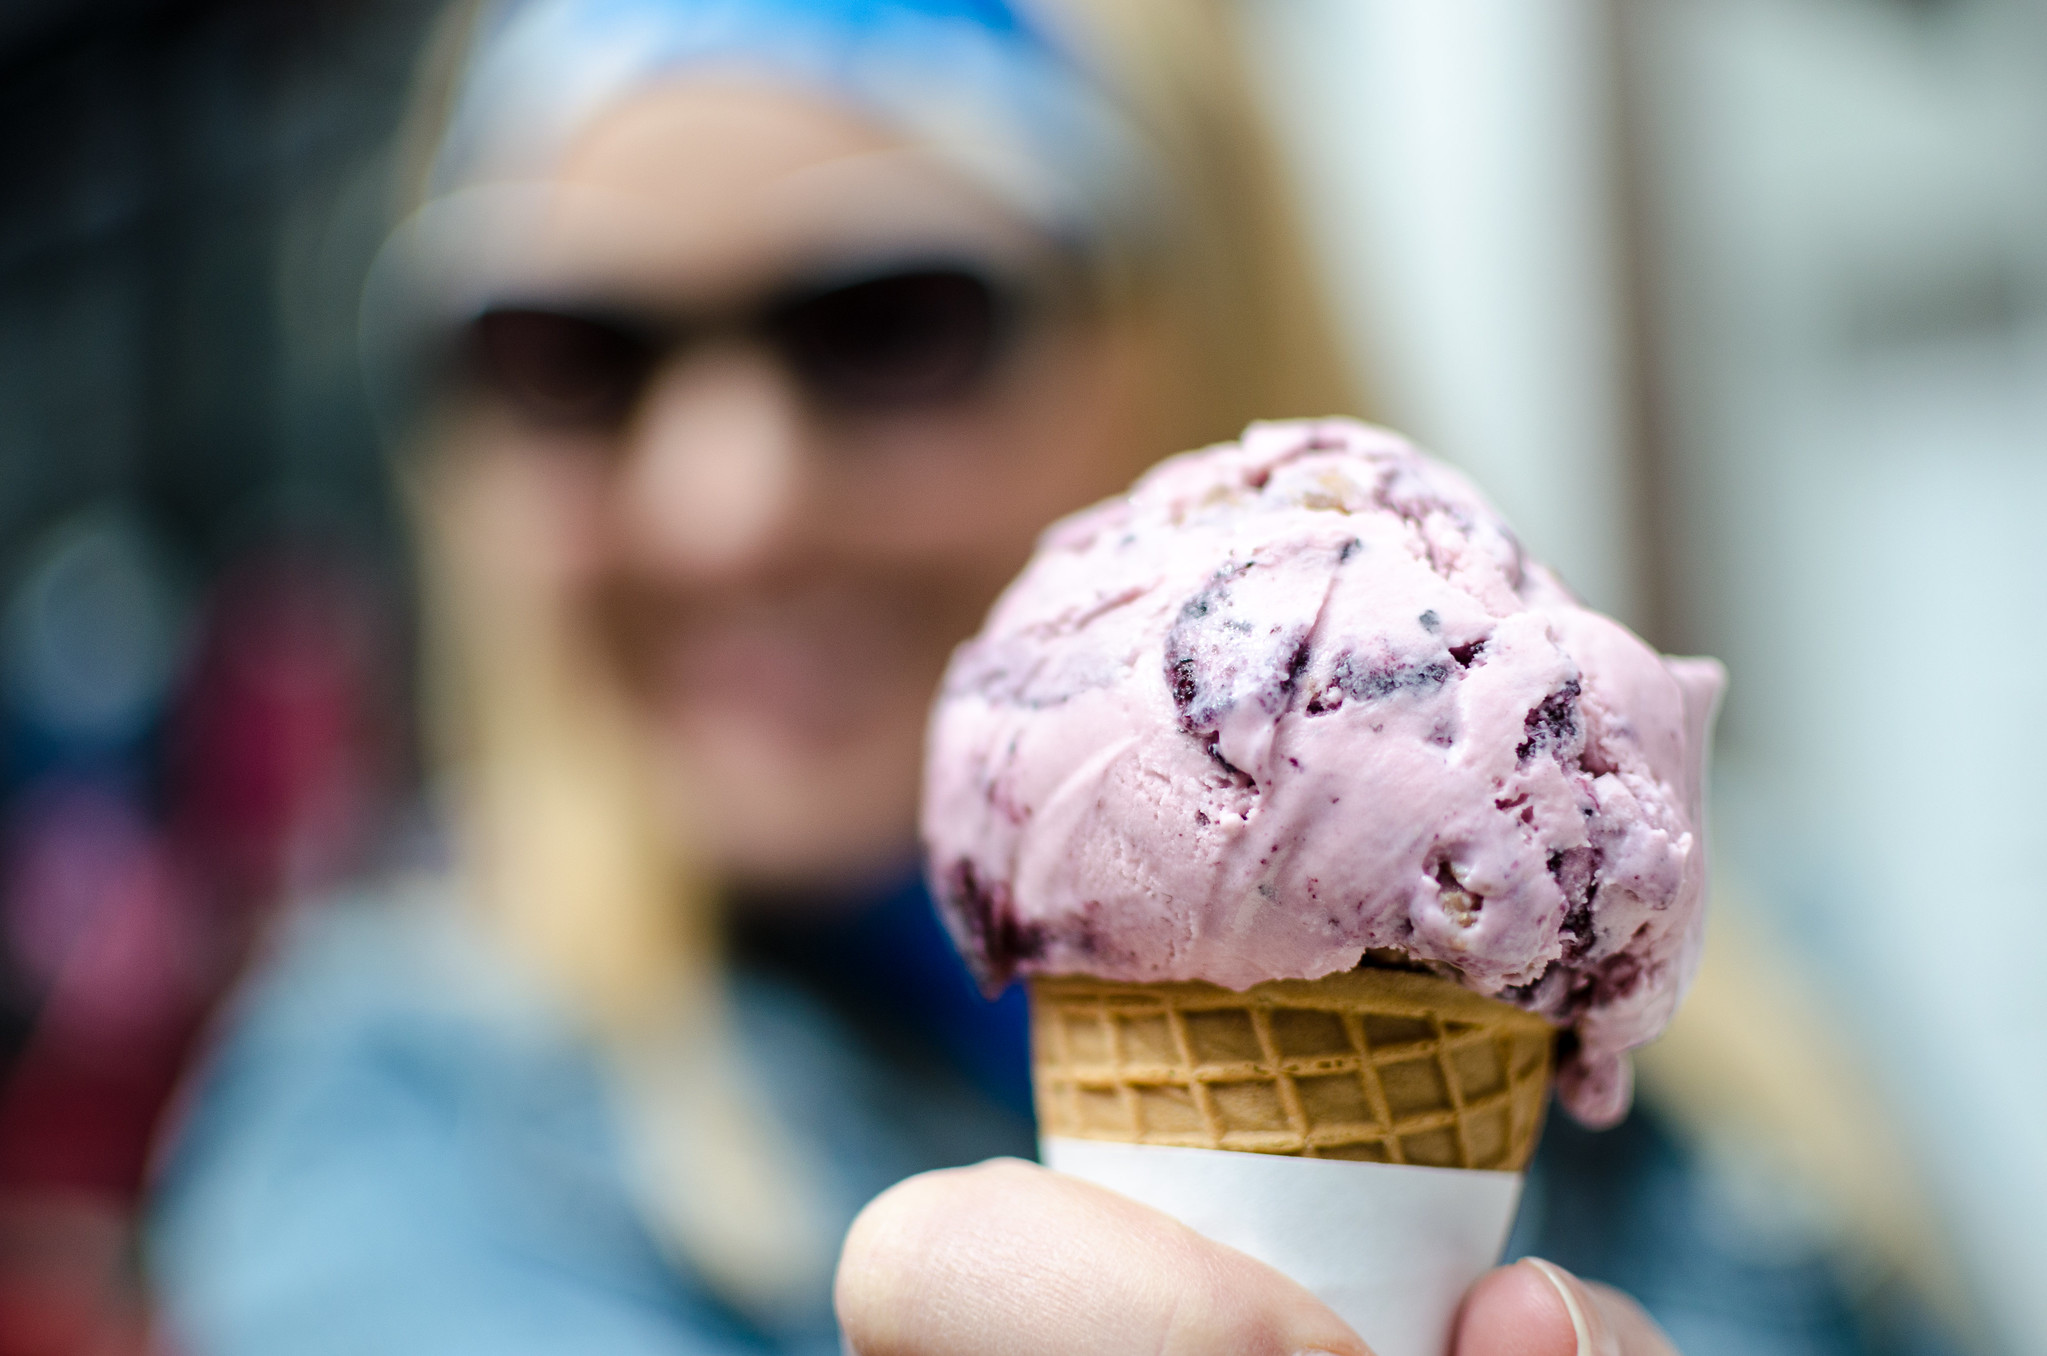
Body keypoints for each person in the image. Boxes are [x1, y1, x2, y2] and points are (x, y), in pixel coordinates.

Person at [143, 2, 1720, 1353]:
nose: (725, 510)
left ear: (1202, 315)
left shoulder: (1750, 1043)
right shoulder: (396, 1121)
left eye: (889, 323)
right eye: (570, 355)